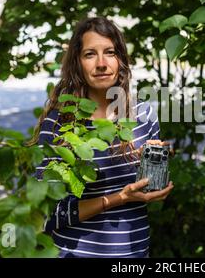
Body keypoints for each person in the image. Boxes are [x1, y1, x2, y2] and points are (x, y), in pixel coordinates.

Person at [30, 16, 174, 258]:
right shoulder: (58, 123)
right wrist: (119, 198)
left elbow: (149, 190)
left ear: (121, 60)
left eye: (109, 52)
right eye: (89, 54)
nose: (101, 63)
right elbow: (44, 212)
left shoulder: (143, 114)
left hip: (134, 253)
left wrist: (154, 162)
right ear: (77, 63)